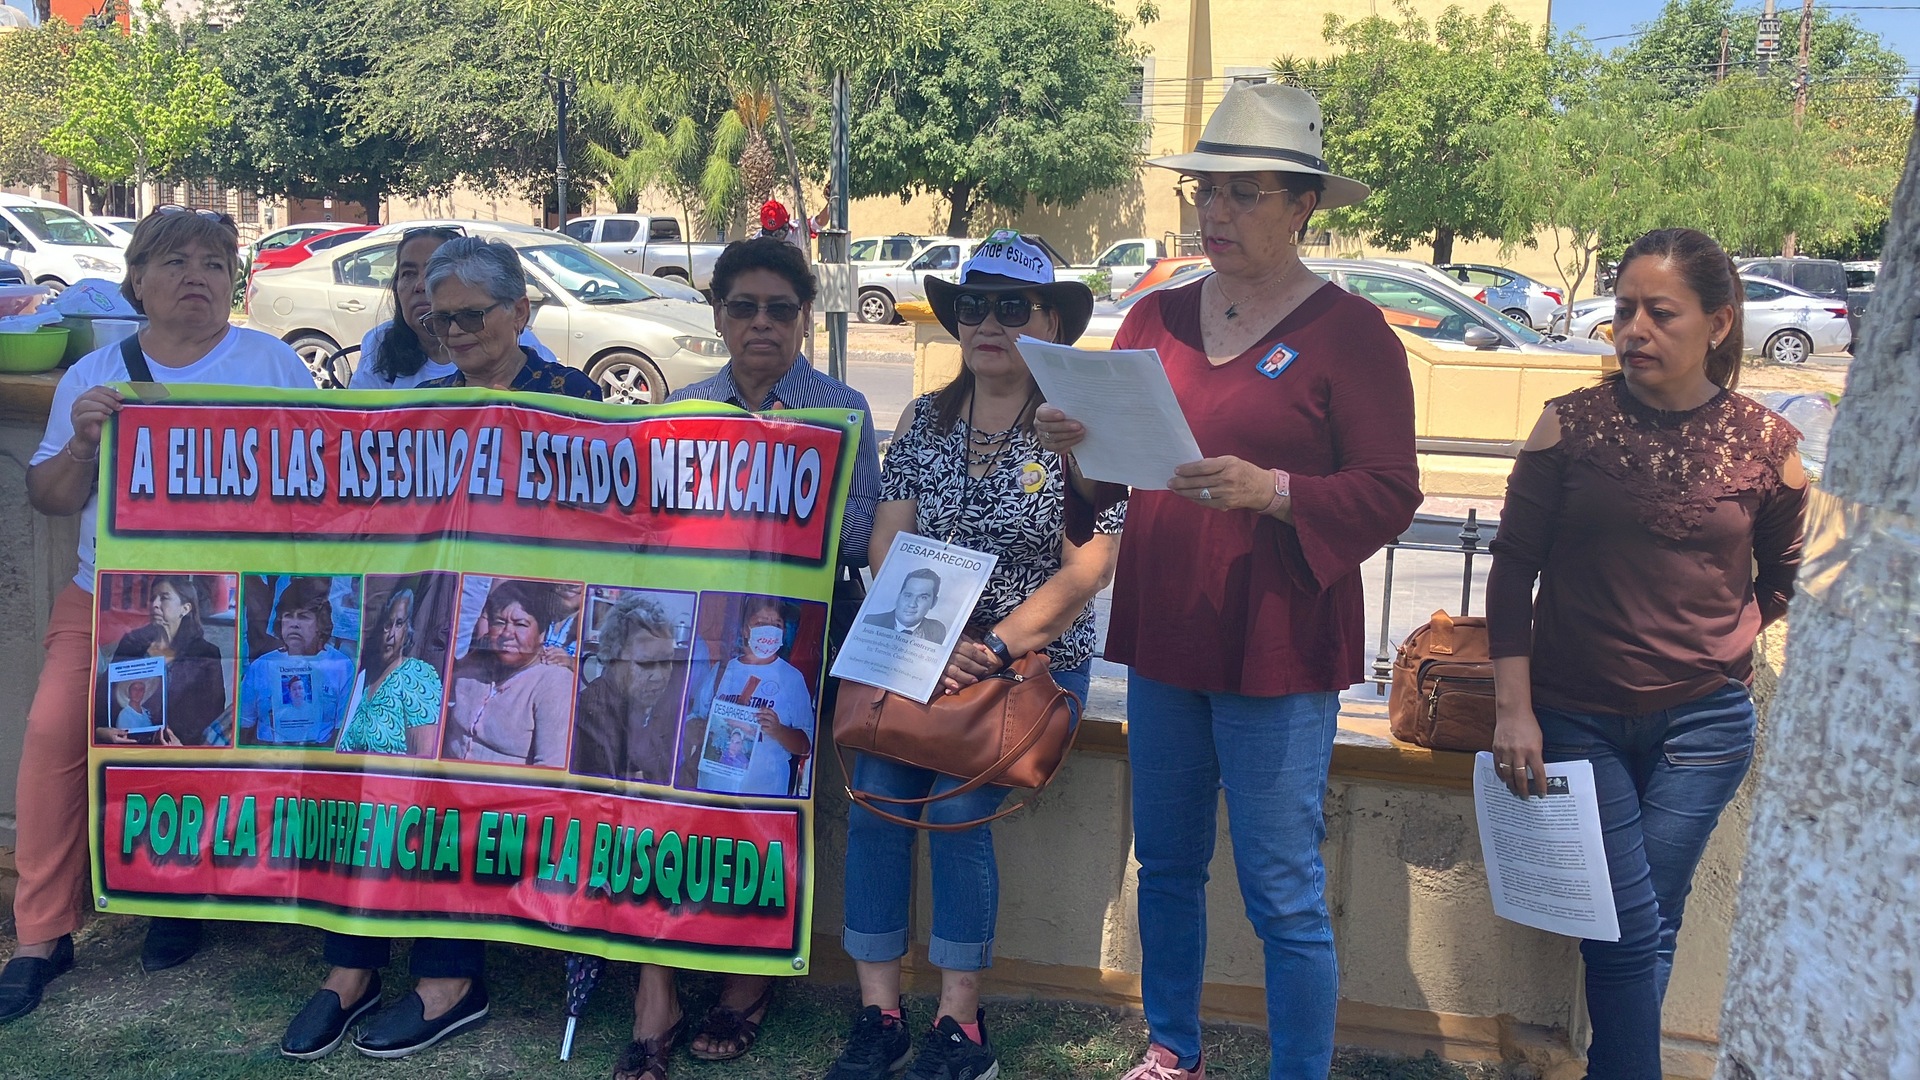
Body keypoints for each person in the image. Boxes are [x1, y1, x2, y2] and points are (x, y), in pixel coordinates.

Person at [1035, 83, 1420, 1080]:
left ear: (1304, 206)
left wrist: (1278, 491)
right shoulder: (1152, 319)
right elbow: (1110, 482)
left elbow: (1389, 491)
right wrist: (1075, 451)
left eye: (1244, 194)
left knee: (1283, 886)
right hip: (1167, 630)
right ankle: (1173, 1049)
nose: (1216, 213)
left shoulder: (1354, 335)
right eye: (1206, 191)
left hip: (1280, 643)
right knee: (1163, 865)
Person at [1486, 228, 1807, 1080]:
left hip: (1703, 729)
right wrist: (1514, 708)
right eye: (1624, 310)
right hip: (1574, 718)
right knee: (1629, 924)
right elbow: (1513, 569)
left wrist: (1721, 642)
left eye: (1660, 313)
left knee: (1640, 922)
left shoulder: (1767, 446)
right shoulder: (1568, 427)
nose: (1634, 330)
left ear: (1720, 323)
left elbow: (1783, 575)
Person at [282, 237, 603, 1063]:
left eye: (470, 316)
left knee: (456, 786)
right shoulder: (420, 401)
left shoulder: (577, 398)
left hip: (501, 629)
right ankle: (348, 971)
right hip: (422, 619)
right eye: (437, 316)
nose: (452, 331)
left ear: (520, 313)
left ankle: (449, 981)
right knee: (373, 781)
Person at [0, 207, 315, 1022]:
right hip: (107, 595)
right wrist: (79, 444)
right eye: (176, 261)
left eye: (216, 262)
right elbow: (47, 497)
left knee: (201, 736)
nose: (198, 277)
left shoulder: (274, 364)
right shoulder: (96, 372)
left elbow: (321, 487)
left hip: (232, 599)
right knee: (53, 738)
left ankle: (180, 898)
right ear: (136, 278)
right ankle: (40, 934)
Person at [822, 233, 1118, 1080]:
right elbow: (888, 537)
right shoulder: (924, 416)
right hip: (923, 643)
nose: (989, 322)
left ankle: (961, 1027)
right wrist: (936, 639)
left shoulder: (1075, 429)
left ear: (1051, 323)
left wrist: (988, 646)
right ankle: (879, 1014)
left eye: (1012, 306)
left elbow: (1092, 565)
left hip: (1026, 661)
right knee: (878, 797)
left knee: (954, 810)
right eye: (974, 304)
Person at [611, 234, 885, 1080]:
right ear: (718, 313)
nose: (761, 324)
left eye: (780, 309)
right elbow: (645, 532)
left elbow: (860, 536)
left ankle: (745, 984)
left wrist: (780, 503)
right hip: (701, 632)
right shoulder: (680, 410)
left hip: (800, 633)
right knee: (664, 790)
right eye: (743, 307)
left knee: (774, 796)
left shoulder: (841, 409)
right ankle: (654, 990)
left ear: (805, 317)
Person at [347, 225, 556, 390]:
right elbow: (355, 427)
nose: (421, 286)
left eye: (471, 316)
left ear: (518, 314)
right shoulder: (427, 395)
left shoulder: (560, 386)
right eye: (408, 273)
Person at [681, 597, 814, 796]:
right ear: (744, 630)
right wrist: (700, 728)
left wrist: (778, 731)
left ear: (784, 632)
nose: (769, 630)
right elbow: (693, 720)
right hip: (713, 791)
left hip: (764, 797)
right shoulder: (722, 670)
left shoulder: (792, 678)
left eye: (776, 624)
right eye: (760, 623)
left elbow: (805, 745)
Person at [441, 579, 575, 767]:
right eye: (500, 622)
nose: (507, 633)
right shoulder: (473, 665)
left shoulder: (554, 682)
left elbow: (550, 769)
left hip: (506, 794)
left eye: (520, 624)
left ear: (542, 633)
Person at [95, 575, 229, 746]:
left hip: (178, 755)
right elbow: (103, 699)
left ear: (185, 608)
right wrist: (102, 731)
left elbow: (212, 715)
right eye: (153, 598)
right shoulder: (132, 644)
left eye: (164, 598)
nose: (155, 604)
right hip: (128, 748)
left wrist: (184, 749)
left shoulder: (205, 653)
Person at [571, 594, 688, 783]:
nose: (658, 677)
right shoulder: (590, 719)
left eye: (667, 661)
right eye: (645, 663)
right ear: (614, 657)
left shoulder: (646, 708)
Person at [239, 577, 355, 747]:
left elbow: (342, 732)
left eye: (303, 617)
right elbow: (244, 726)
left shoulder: (341, 666)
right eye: (288, 616)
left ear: (320, 624)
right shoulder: (261, 666)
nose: (293, 624)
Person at [335, 586, 444, 757]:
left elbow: (425, 757)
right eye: (386, 625)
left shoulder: (416, 674)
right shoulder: (365, 677)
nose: (391, 635)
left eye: (399, 624)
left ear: (408, 628)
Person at [860, 569, 947, 640]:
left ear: (934, 602)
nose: (912, 604)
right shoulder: (870, 621)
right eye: (908, 595)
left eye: (923, 597)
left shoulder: (937, 630)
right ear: (899, 596)